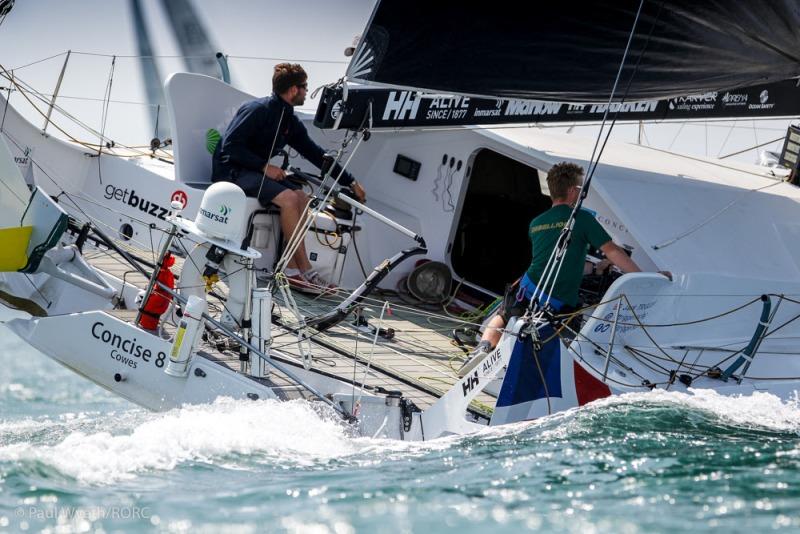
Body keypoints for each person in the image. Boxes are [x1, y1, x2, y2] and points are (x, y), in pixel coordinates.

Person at [457, 161, 670, 377]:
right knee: (568, 330)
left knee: (503, 314)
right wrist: (646, 278)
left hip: (529, 285)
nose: (580, 193)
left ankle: (483, 349)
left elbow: (555, 260)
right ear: (571, 191)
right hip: (558, 299)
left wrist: (596, 269)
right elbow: (613, 251)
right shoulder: (583, 219)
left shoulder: (536, 223)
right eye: (579, 188)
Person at [212, 63, 366, 294]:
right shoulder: (258, 109)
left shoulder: (288, 120)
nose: (306, 92)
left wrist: (350, 181)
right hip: (231, 172)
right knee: (289, 199)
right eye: (305, 88)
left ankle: (290, 269)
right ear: (294, 90)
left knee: (302, 196)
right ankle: (305, 270)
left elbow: (316, 155)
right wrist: (265, 167)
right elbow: (229, 148)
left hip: (253, 172)